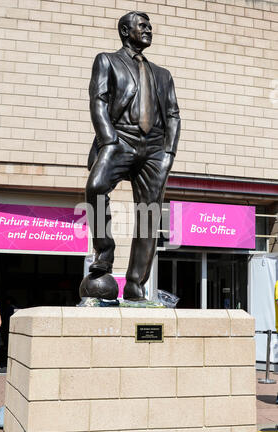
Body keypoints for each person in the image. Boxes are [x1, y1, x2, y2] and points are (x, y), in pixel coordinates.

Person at [85, 11, 181, 301]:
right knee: (96, 187)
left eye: (150, 26)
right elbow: (98, 100)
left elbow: (174, 115)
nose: (149, 29)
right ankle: (104, 252)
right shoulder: (107, 61)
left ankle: (136, 284)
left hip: (154, 149)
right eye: (143, 26)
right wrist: (109, 140)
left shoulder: (163, 74)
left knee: (149, 214)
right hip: (120, 139)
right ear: (125, 32)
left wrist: (168, 151)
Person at [0, 297, 15, 369]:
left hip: (5, 328)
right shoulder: (11, 308)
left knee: (1, 345)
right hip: (6, 328)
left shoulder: (9, 308)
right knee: (1, 345)